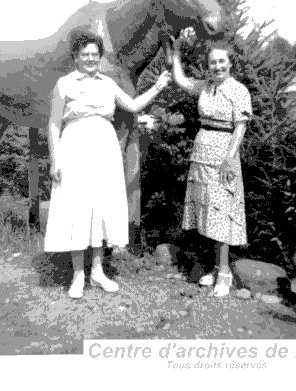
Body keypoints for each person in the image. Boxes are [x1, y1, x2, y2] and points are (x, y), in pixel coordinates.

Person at [44, 29, 171, 299]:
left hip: (105, 147)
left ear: (99, 58)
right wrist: (56, 159)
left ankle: (99, 272)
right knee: (78, 206)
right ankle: (78, 275)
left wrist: (158, 86)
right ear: (76, 57)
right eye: (85, 55)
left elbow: (133, 105)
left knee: (101, 205)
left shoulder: (108, 84)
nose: (90, 59)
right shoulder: (63, 84)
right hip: (74, 146)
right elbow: (54, 124)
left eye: (94, 55)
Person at [168, 35, 252, 297]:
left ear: (230, 63)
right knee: (207, 210)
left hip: (224, 153)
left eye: (221, 61)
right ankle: (216, 267)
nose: (217, 66)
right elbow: (182, 81)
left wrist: (229, 157)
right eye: (213, 62)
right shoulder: (204, 86)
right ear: (208, 66)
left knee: (222, 210)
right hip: (202, 149)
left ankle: (225, 273)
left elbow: (241, 125)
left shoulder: (239, 90)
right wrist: (176, 57)